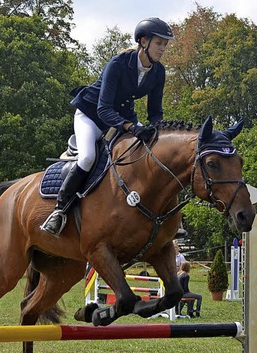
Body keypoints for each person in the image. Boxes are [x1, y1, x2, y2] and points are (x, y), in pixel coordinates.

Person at [41, 17, 177, 236]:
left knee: (154, 152)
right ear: (144, 41)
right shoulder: (118, 64)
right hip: (91, 116)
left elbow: (155, 113)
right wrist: (131, 128)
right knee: (87, 158)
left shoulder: (158, 72)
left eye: (165, 44)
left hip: (123, 118)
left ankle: (164, 215)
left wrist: (157, 131)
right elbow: (104, 109)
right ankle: (59, 211)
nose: (163, 48)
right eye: (159, 43)